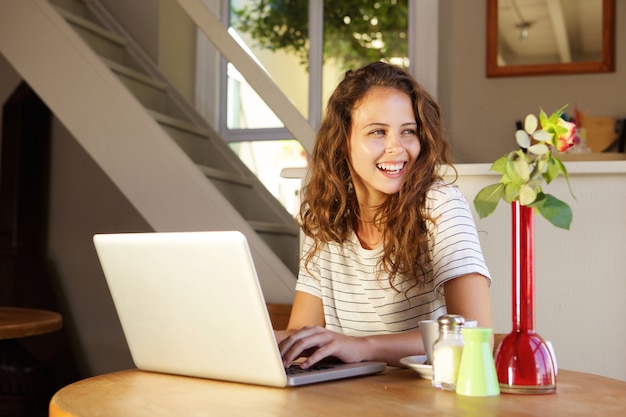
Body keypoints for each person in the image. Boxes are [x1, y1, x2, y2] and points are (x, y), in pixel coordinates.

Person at [277, 62, 492, 369]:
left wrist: (362, 347)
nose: (397, 147)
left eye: (408, 132)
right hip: (347, 396)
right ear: (342, 142)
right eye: (378, 132)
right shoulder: (323, 216)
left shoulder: (440, 204)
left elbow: (476, 332)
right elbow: (302, 334)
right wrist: (258, 337)